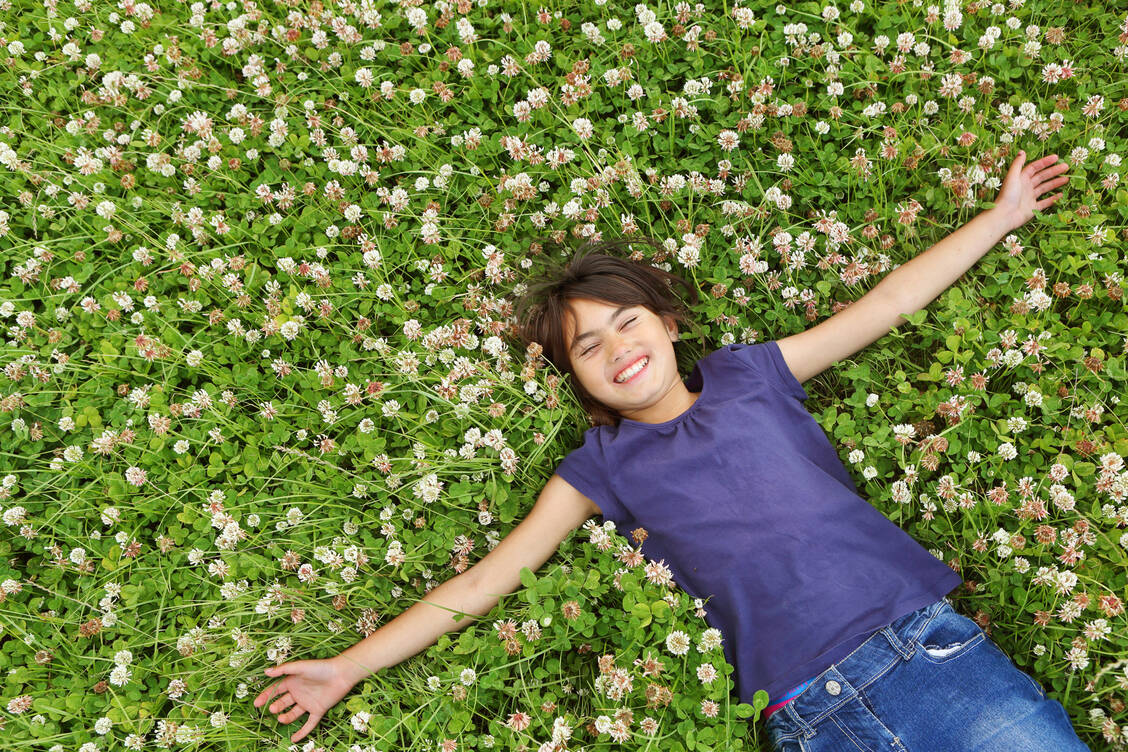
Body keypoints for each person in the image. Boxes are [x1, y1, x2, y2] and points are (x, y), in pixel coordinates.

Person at [253, 151, 1086, 751]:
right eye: (587, 347)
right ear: (577, 381)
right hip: (806, 718)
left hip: (924, 656)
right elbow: (482, 582)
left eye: (628, 321)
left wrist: (1001, 215)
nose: (617, 349)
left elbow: (888, 304)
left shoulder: (751, 375)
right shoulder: (598, 469)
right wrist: (347, 668)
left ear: (668, 322)